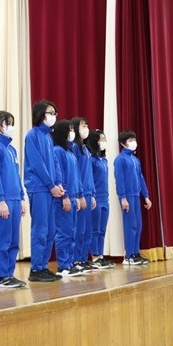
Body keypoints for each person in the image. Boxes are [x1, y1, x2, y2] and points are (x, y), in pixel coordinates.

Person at [0, 111, 27, 288]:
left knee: (14, 240)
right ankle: (2, 276)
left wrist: (22, 197)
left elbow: (16, 176)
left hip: (15, 199)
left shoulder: (11, 149)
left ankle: (10, 274)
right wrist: (1, 201)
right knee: (4, 239)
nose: (11, 127)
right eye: (7, 123)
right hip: (3, 200)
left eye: (12, 123)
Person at [23, 101, 65, 282]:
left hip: (50, 188)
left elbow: (54, 163)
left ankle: (43, 266)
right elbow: (37, 163)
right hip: (39, 187)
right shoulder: (32, 136)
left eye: (55, 113)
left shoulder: (48, 137)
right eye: (50, 112)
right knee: (40, 229)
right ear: (40, 114)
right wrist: (50, 185)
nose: (53, 116)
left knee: (50, 229)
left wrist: (58, 182)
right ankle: (35, 269)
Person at [113, 131, 152, 265]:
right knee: (130, 226)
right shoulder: (120, 159)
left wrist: (146, 196)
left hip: (136, 195)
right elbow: (119, 180)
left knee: (138, 225)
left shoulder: (136, 160)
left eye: (134, 140)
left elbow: (141, 178)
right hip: (128, 196)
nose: (133, 142)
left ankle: (136, 253)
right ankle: (129, 255)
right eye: (130, 140)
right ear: (123, 143)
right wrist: (123, 198)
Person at [51, 120, 84, 277]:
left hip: (73, 196)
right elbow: (59, 176)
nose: (72, 132)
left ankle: (70, 263)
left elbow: (76, 176)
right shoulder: (57, 151)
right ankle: (63, 265)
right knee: (64, 232)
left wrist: (78, 196)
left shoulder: (70, 152)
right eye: (69, 129)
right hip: (64, 198)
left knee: (72, 232)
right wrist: (64, 196)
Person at [70, 117, 96, 272]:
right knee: (79, 229)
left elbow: (89, 174)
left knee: (87, 229)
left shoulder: (86, 149)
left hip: (88, 191)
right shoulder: (74, 147)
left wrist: (92, 193)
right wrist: (79, 194)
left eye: (86, 125)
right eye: (82, 126)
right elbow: (76, 173)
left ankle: (83, 258)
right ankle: (76, 259)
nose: (85, 128)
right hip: (79, 192)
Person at [86, 130, 114, 268]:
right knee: (95, 229)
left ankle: (101, 256)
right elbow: (89, 179)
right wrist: (92, 195)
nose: (103, 142)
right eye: (100, 139)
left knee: (102, 230)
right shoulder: (91, 160)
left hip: (105, 198)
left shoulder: (104, 160)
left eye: (104, 139)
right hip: (96, 198)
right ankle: (95, 257)